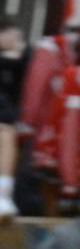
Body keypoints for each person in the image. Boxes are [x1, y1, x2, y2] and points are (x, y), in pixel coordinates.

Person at [0, 21, 29, 220]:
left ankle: (3, 194)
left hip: (8, 115)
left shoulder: (24, 59)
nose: (16, 41)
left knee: (7, 134)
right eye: (13, 36)